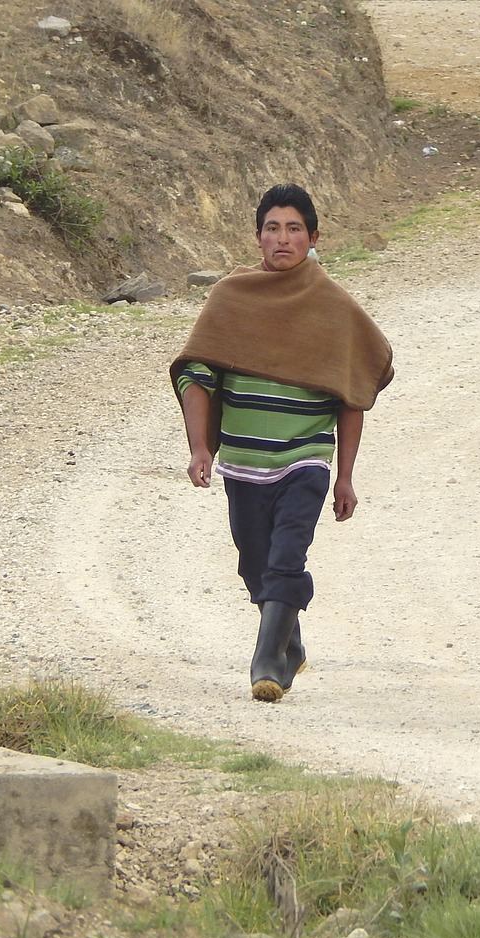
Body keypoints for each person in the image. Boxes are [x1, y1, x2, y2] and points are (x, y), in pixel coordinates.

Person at [170, 184, 393, 702]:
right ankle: (288, 640)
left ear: (314, 238)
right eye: (273, 228)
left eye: (295, 228)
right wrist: (200, 447)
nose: (283, 238)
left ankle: (267, 661)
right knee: (254, 563)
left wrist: (345, 474)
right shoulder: (231, 297)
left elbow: (353, 393)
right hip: (244, 461)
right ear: (257, 237)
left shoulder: (334, 308)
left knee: (286, 557)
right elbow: (195, 374)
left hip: (305, 459)